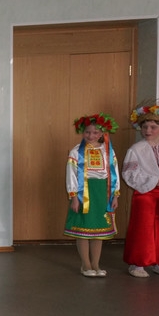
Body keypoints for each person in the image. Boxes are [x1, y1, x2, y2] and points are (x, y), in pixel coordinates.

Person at [63, 114, 120, 277]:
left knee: (98, 231)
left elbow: (114, 173)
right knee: (84, 229)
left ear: (102, 133)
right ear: (82, 131)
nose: (91, 135)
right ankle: (85, 264)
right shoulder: (76, 151)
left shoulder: (108, 151)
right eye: (87, 132)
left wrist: (115, 195)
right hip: (84, 193)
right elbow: (71, 174)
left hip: (102, 193)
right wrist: (74, 196)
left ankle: (96, 264)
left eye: (95, 132)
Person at [122, 100, 159, 278]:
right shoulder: (136, 149)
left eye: (153, 127)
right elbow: (129, 173)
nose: (148, 130)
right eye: (145, 127)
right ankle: (138, 262)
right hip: (145, 192)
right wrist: (154, 180)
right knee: (143, 227)